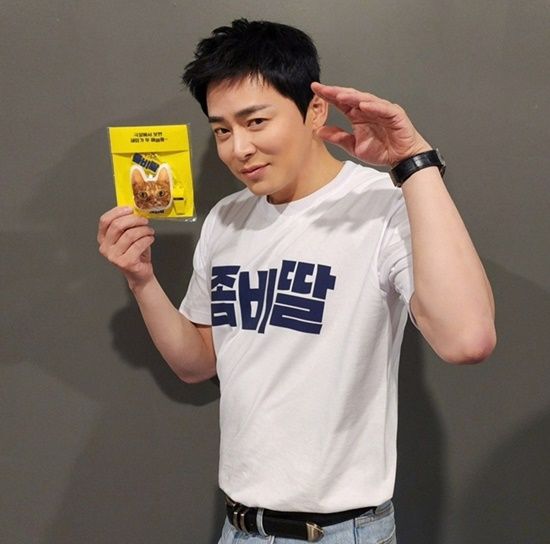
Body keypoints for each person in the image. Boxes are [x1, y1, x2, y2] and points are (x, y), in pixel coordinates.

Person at [98, 18, 496, 543]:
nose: (238, 148)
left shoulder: (383, 206)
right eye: (222, 130)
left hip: (339, 532)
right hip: (239, 527)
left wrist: (413, 165)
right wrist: (142, 280)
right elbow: (197, 363)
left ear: (314, 111)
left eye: (256, 121)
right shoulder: (226, 219)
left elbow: (467, 340)